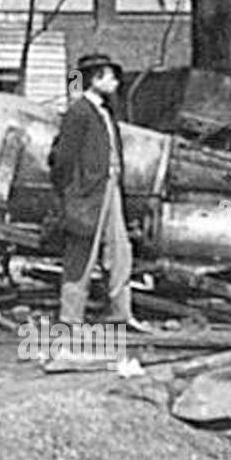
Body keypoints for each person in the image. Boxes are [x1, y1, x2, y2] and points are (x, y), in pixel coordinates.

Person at [48, 52, 151, 331]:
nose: (116, 82)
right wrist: (70, 193)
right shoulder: (79, 111)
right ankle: (70, 319)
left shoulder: (104, 111)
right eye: (110, 76)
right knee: (82, 253)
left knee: (120, 251)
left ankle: (122, 313)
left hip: (110, 188)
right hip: (88, 193)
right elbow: (63, 159)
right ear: (95, 79)